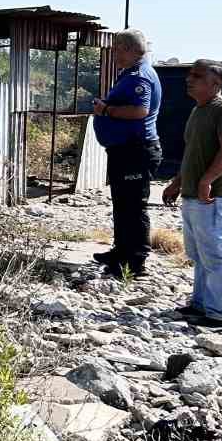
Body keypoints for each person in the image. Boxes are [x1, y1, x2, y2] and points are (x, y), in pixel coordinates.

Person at [161, 60, 222, 328]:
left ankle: (221, 313)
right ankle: (200, 304)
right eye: (190, 75)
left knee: (216, 253)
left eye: (197, 76)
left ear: (216, 84)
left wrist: (207, 180)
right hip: (193, 195)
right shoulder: (199, 110)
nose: (190, 79)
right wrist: (177, 182)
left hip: (214, 196)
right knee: (198, 253)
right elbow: (193, 153)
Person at [90, 29, 163, 277]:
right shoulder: (130, 74)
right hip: (125, 150)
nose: (114, 55)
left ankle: (135, 261)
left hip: (136, 150)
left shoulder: (140, 75)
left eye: (118, 49)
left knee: (133, 206)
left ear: (129, 49)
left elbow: (139, 111)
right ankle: (121, 252)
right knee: (122, 205)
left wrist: (106, 110)